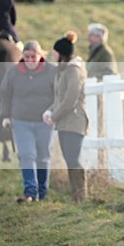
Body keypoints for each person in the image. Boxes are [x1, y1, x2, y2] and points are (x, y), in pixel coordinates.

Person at [0, 40, 56, 202]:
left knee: (43, 156)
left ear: (40, 56)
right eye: (27, 57)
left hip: (44, 122)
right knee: (26, 155)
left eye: (33, 57)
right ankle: (30, 192)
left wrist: (53, 112)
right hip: (21, 121)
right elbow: (5, 94)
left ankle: (42, 192)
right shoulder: (13, 73)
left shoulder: (51, 72)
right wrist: (5, 115)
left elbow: (58, 95)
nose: (30, 61)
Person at [43, 31, 89, 202]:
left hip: (74, 121)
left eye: (54, 52)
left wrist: (54, 116)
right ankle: (76, 196)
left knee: (73, 159)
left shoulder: (73, 72)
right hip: (65, 122)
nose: (52, 54)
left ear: (60, 53)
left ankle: (81, 196)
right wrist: (49, 111)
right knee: (70, 160)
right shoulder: (62, 71)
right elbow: (59, 98)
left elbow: (70, 99)